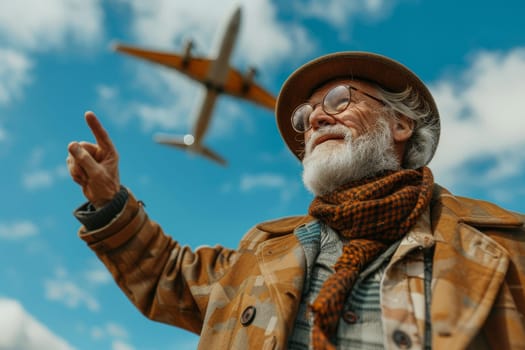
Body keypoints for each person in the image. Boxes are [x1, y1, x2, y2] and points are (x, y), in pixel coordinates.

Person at [66, 51, 525, 350]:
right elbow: (168, 274)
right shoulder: (261, 254)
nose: (316, 118)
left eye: (339, 99)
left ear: (401, 125)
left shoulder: (505, 246)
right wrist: (109, 203)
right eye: (304, 117)